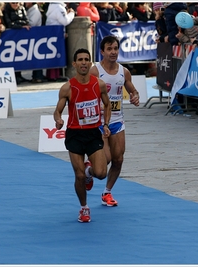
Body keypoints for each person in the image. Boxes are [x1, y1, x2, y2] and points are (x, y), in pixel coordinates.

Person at [53, 48, 111, 223]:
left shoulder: (98, 84)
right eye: (80, 60)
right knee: (78, 176)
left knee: (101, 173)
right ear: (74, 64)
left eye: (87, 59)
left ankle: (89, 170)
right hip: (75, 135)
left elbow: (107, 105)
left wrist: (106, 124)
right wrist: (58, 121)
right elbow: (57, 111)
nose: (84, 62)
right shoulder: (67, 88)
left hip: (93, 133)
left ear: (90, 63)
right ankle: (84, 208)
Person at [89, 35, 140, 207]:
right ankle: (89, 172)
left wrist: (135, 96)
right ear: (102, 51)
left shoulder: (123, 72)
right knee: (106, 161)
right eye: (109, 49)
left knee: (118, 160)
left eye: (115, 48)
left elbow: (132, 89)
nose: (113, 52)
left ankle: (107, 193)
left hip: (117, 120)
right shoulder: (95, 71)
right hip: (98, 122)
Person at [45, 2, 75, 82]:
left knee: (52, 55)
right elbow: (65, 21)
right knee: (56, 54)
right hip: (56, 34)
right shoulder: (59, 7)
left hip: (52, 33)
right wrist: (72, 14)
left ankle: (52, 75)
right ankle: (54, 76)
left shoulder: (52, 6)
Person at [3, 2, 31, 85]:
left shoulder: (22, 8)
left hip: (21, 37)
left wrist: (18, 23)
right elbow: (9, 24)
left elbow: (26, 20)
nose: (15, 4)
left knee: (20, 55)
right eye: (13, 3)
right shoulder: (6, 10)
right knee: (11, 56)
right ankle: (13, 76)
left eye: (17, 3)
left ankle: (19, 75)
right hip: (10, 37)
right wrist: (21, 26)